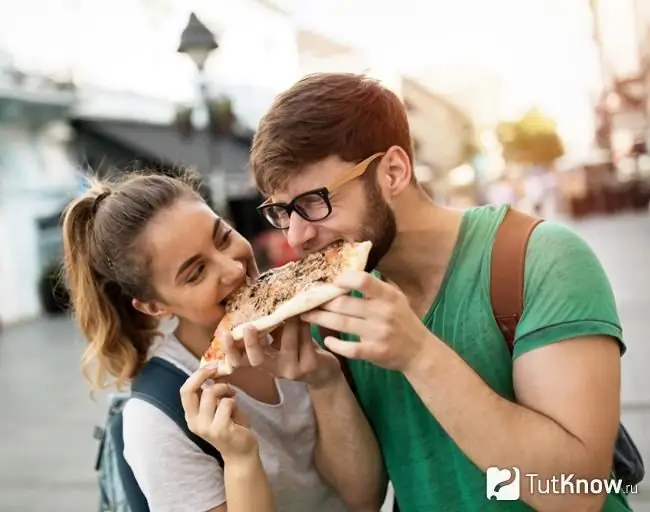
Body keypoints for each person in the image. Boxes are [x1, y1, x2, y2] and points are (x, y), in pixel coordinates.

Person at [223, 73, 633, 511]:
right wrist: (323, 380)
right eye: (283, 212)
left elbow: (575, 495)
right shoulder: (341, 305)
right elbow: (364, 497)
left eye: (313, 202)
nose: (297, 237)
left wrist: (418, 355)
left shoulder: (541, 258)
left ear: (393, 172)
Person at [60, 170, 360, 512]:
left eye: (222, 237)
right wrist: (240, 460)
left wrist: (325, 380)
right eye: (196, 273)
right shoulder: (155, 421)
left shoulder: (310, 314)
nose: (232, 269)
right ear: (154, 306)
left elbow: (363, 499)